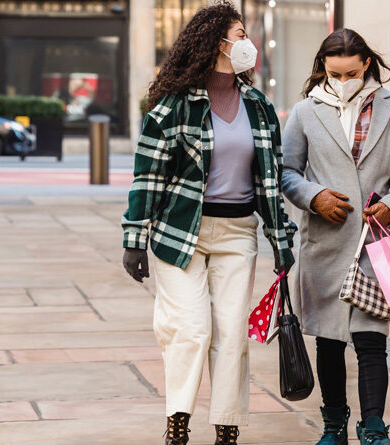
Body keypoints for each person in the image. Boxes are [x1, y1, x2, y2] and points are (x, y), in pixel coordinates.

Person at [120, 2, 296, 444]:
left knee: (231, 335)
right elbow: (148, 176)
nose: (247, 43)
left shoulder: (259, 107)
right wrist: (134, 239)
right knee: (191, 331)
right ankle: (177, 422)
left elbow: (270, 181)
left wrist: (281, 241)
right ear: (215, 42)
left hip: (238, 235)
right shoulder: (174, 107)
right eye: (239, 35)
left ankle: (227, 429)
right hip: (181, 233)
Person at [281, 28, 390, 445]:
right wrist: (314, 196)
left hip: (375, 243)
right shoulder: (305, 112)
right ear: (323, 68)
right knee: (329, 340)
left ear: (367, 67)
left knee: (372, 339)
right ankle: (334, 425)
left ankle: (374, 427)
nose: (343, 81)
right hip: (326, 242)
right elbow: (287, 171)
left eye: (351, 73)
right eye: (335, 73)